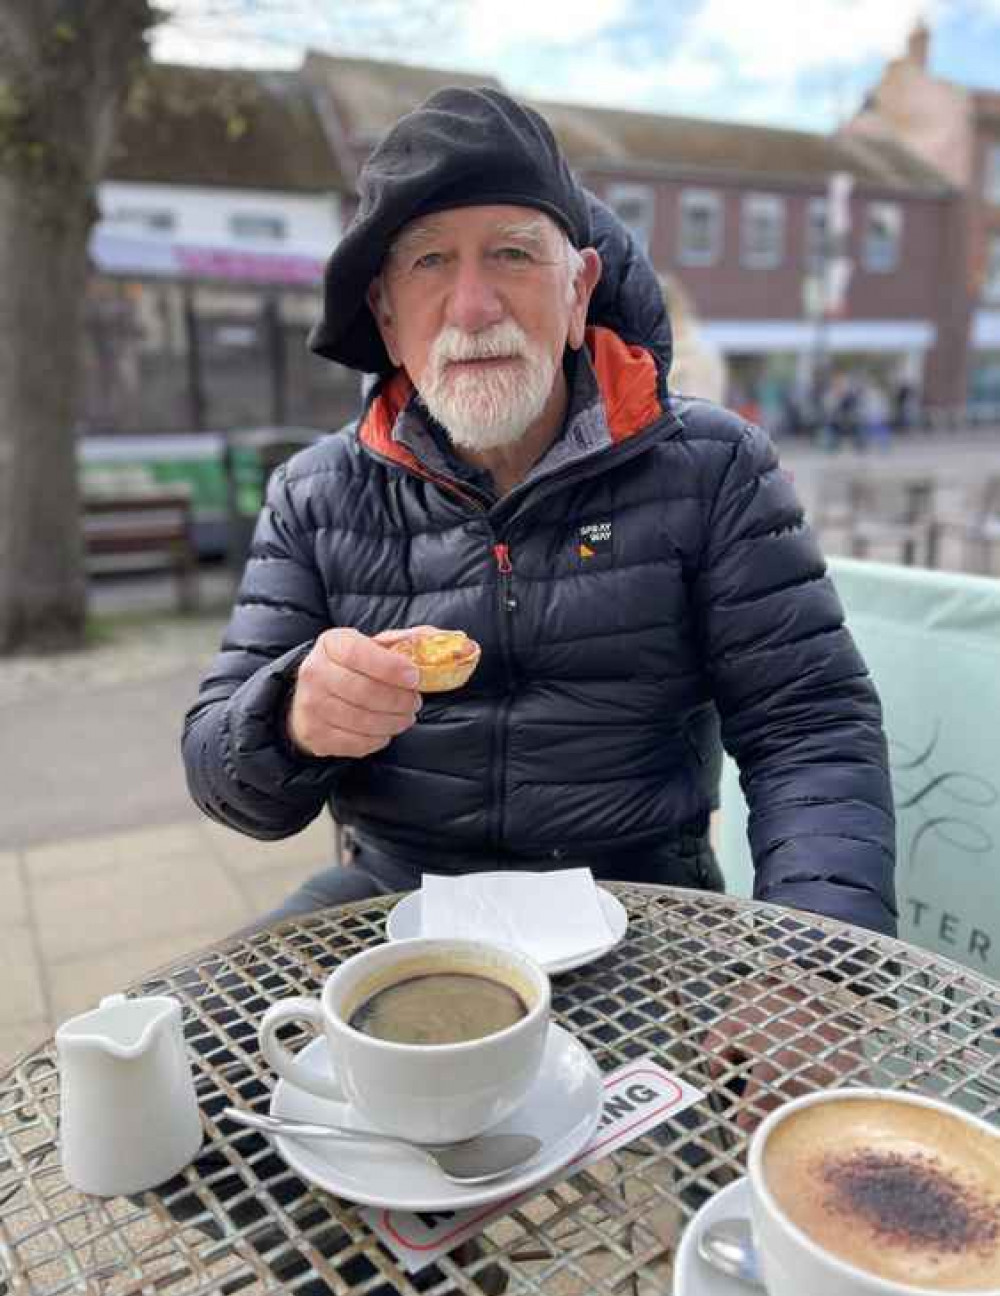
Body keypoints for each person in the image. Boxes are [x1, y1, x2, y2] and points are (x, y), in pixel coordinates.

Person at [182, 87, 896, 945]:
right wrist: (290, 718)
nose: (474, 307)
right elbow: (221, 772)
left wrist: (812, 954)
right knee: (196, 1052)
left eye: (515, 255)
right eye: (428, 262)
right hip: (388, 897)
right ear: (384, 312)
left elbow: (810, 725)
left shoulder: (714, 468)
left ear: (578, 290)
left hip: (646, 904)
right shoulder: (315, 492)